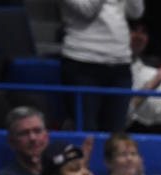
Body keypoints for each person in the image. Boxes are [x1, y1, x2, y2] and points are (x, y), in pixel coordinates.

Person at [60, 0, 143, 132]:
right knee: (87, 132)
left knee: (116, 134)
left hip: (120, 63)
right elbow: (87, 11)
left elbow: (136, 12)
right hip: (82, 63)